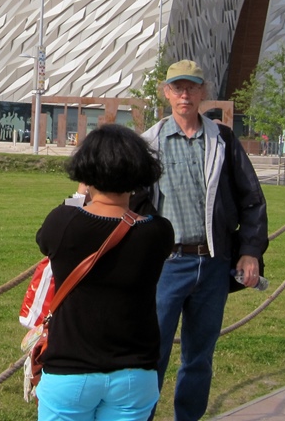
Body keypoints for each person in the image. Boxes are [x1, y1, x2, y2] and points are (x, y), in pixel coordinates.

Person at [142, 59, 268, 421]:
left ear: (203, 93)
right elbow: (131, 202)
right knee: (153, 354)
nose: (185, 94)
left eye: (192, 87)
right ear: (166, 93)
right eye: (177, 87)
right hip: (166, 266)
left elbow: (252, 199)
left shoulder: (222, 139)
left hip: (212, 264)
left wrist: (250, 252)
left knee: (199, 358)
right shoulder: (149, 144)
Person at [35, 124, 175, 421]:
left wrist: (79, 193)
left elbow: (45, 240)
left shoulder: (63, 222)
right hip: (134, 374)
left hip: (70, 369)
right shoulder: (158, 232)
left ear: (86, 173)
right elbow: (142, 216)